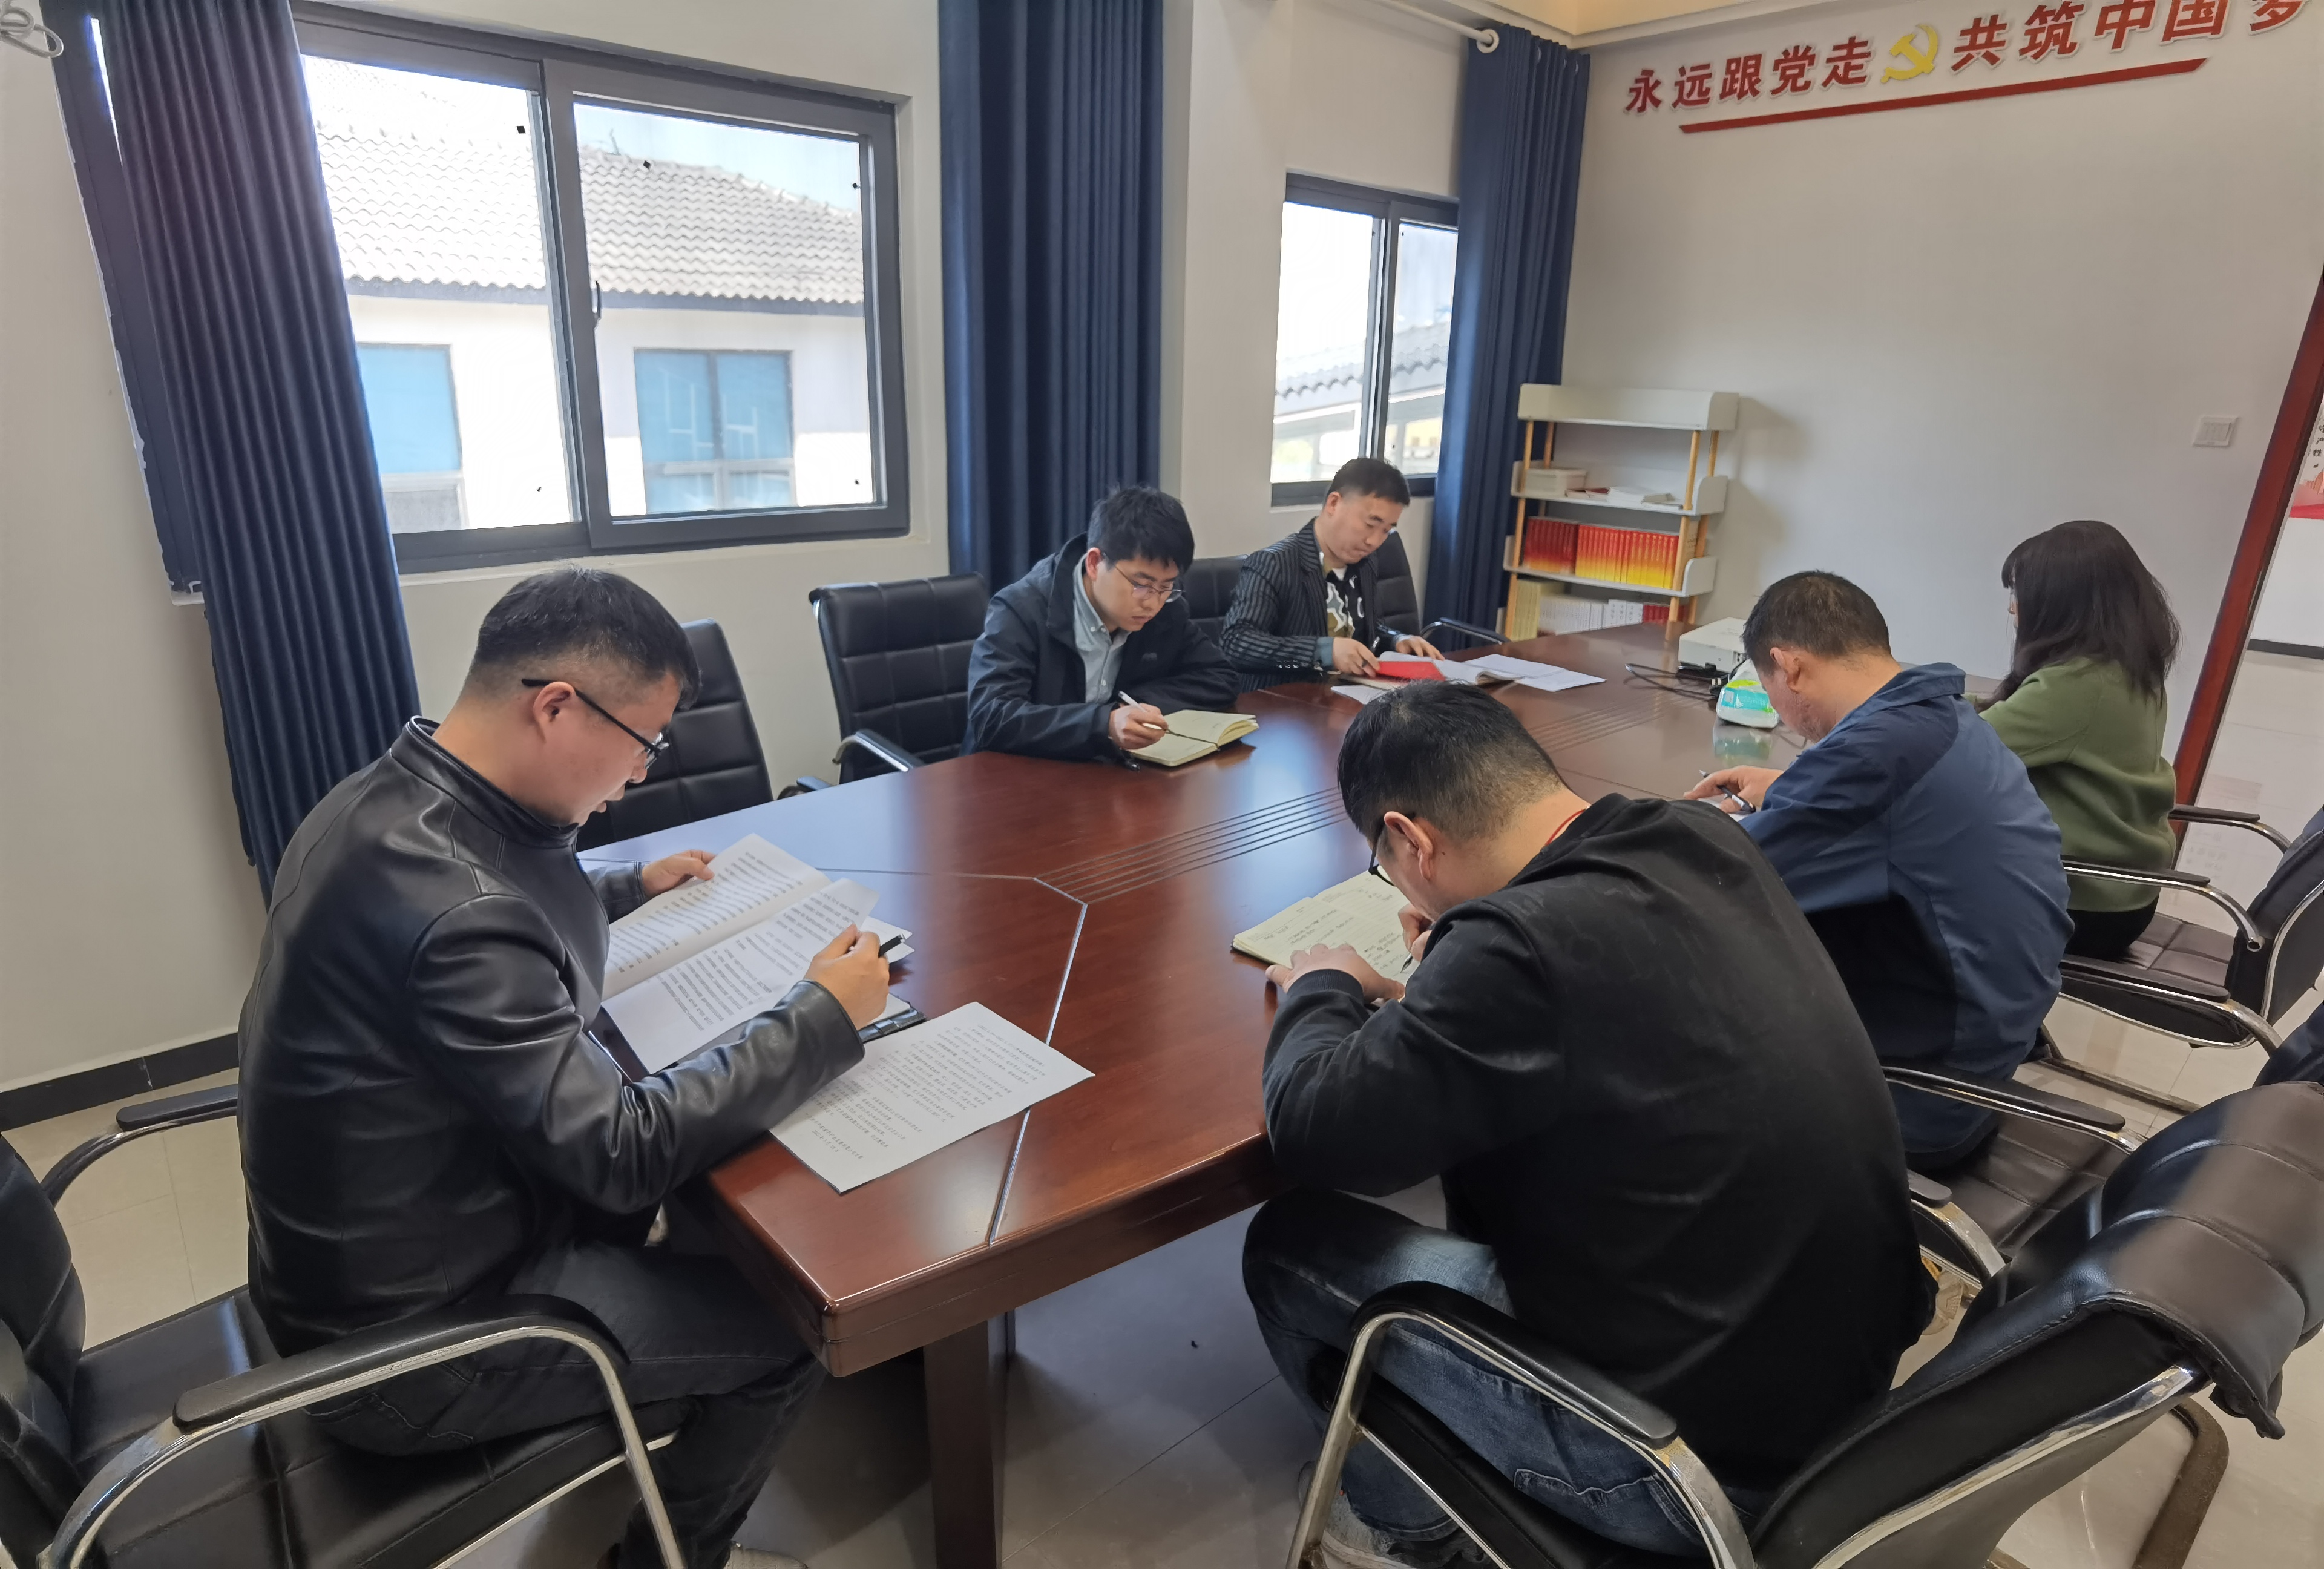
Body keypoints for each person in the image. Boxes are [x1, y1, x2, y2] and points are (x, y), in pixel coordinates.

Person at [240, 568, 890, 1569]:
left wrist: (625, 883)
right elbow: (621, 1154)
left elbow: (499, 873)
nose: (639, 776)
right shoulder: (460, 917)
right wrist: (820, 1018)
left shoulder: (380, 799)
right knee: (787, 1333)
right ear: (555, 706)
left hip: (355, 1269)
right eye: (643, 743)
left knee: (716, 1222)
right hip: (411, 1352)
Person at [1247, 683, 1932, 1568]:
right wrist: (1451, 966)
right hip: (1840, 1395)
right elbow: (1609, 1000)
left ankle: (1409, 1530)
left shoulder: (1517, 948)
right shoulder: (1698, 836)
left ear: (1412, 840)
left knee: (1287, 1243)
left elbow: (1315, 1130)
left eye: (1388, 865)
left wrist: (1323, 986)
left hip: (1690, 1466)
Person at [1688, 571, 2070, 1168]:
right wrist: (1795, 788)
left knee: (1667, 986)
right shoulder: (1937, 716)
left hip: (1916, 1095)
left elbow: (1717, 875)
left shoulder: (1877, 756)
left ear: (1789, 667)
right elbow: (1886, 809)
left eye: (1770, 691)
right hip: (1982, 1048)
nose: (1782, 715)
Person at [1977, 521, 2181, 961]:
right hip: (2121, 894)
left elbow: (1959, 747)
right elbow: (2011, 714)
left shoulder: (2079, 685)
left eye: (2021, 595)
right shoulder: (2128, 669)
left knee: (1896, 899)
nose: (2014, 609)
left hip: (2079, 903)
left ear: (2061, 603)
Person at [963, 484, 1238, 760]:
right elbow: (992, 717)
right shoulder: (1021, 609)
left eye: (1167, 586)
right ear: (1095, 563)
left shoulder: (1167, 611)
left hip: (1102, 769)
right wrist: (1102, 723)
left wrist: (1135, 705)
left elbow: (1220, 677)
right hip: (1014, 772)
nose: (1153, 603)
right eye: (1141, 585)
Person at [1219, 456, 1442, 689]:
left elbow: (1364, 630)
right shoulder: (1274, 563)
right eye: (1370, 525)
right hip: (1286, 700)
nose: (1374, 541)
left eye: (1386, 530)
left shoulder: (1365, 562)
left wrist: (1396, 640)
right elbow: (1237, 645)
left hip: (1349, 696)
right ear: (1334, 504)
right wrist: (1322, 653)